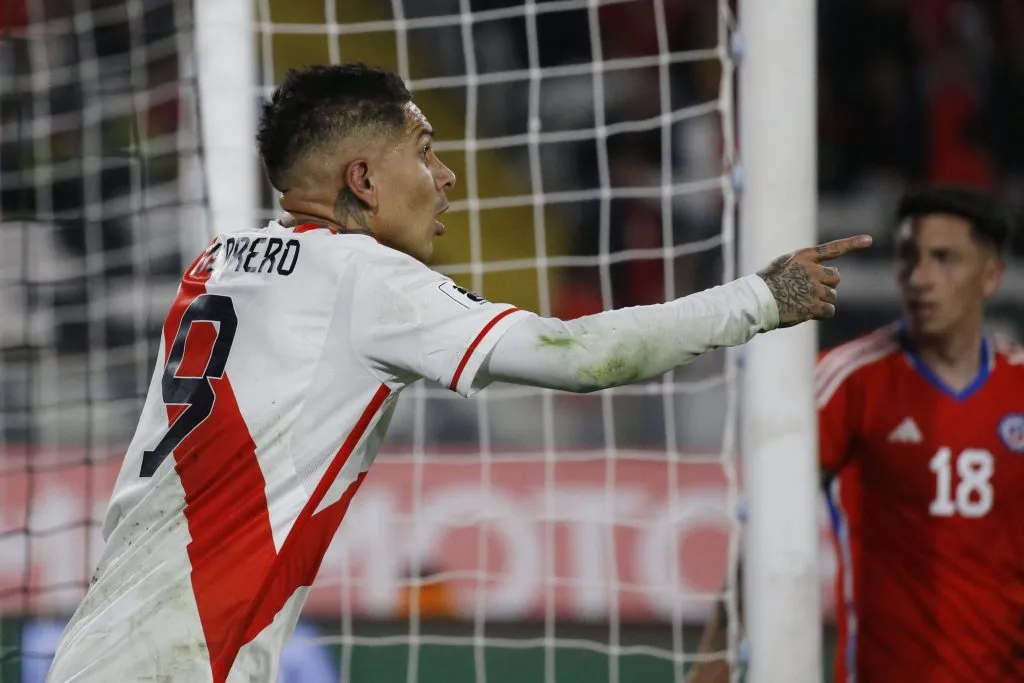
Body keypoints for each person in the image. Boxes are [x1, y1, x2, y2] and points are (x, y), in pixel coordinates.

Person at [45, 63, 869, 683]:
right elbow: (583, 357)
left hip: (99, 646)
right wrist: (760, 298)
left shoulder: (218, 262)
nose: (445, 178)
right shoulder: (363, 278)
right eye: (425, 150)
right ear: (362, 180)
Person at [687, 185, 1023, 683]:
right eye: (908, 258)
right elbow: (770, 524)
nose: (921, 278)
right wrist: (714, 662)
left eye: (944, 259)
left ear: (990, 275)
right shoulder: (849, 380)